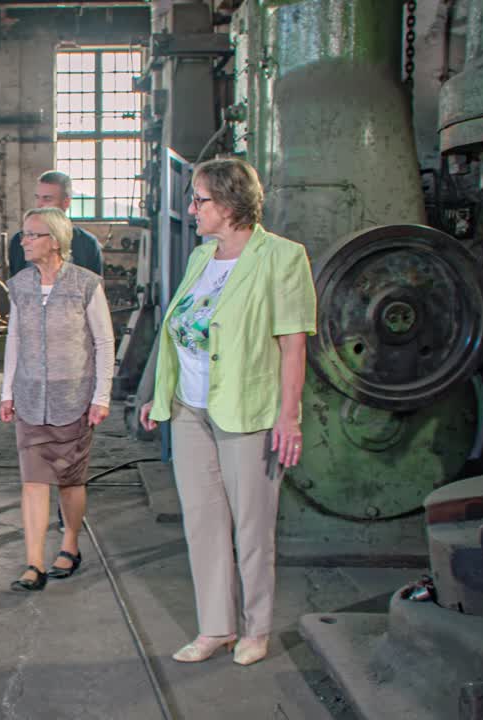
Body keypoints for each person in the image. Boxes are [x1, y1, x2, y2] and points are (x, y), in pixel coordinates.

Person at [138, 158, 316, 666]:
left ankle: (256, 630)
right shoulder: (201, 257)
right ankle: (215, 627)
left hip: (248, 411)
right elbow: (180, 333)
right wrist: (159, 394)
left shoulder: (282, 257)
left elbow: (293, 345)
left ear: (232, 204)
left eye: (200, 200)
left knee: (252, 529)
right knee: (203, 522)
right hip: (190, 409)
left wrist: (289, 417)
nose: (192, 209)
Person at [0, 207, 114, 591]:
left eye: (33, 235)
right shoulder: (19, 285)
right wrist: (7, 392)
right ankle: (33, 563)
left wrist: (101, 397)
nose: (24, 241)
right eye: (24, 234)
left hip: (73, 397)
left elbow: (104, 342)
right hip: (31, 397)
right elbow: (14, 339)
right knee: (33, 480)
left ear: (55, 241)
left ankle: (70, 544)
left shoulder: (86, 284)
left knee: (69, 480)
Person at [7, 171, 104, 278]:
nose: (39, 205)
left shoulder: (87, 244)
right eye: (37, 197)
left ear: (66, 202)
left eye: (47, 199)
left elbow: (95, 286)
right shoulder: (18, 241)